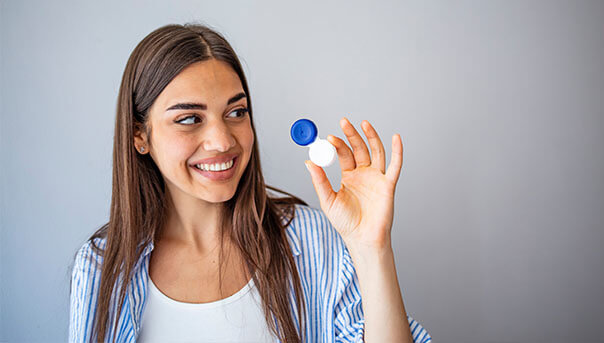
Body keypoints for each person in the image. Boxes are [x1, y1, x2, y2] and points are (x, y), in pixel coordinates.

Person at [68, 22, 432, 343]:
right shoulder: (101, 268)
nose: (223, 141)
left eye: (236, 112)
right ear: (139, 136)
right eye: (190, 119)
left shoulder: (313, 240)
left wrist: (372, 248)